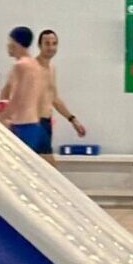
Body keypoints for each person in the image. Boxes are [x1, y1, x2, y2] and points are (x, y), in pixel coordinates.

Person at [26, 29, 86, 164]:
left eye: (54, 43)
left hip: (46, 123)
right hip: (33, 123)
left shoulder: (51, 69)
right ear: (40, 45)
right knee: (48, 166)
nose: (51, 47)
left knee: (43, 167)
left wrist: (73, 120)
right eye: (47, 43)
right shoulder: (31, 68)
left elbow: (54, 99)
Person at [0, 26, 49, 153]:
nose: (7, 45)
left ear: (16, 43)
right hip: (34, 124)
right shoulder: (36, 65)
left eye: (9, 41)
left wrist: (2, 118)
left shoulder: (20, 66)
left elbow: (18, 98)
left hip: (21, 125)